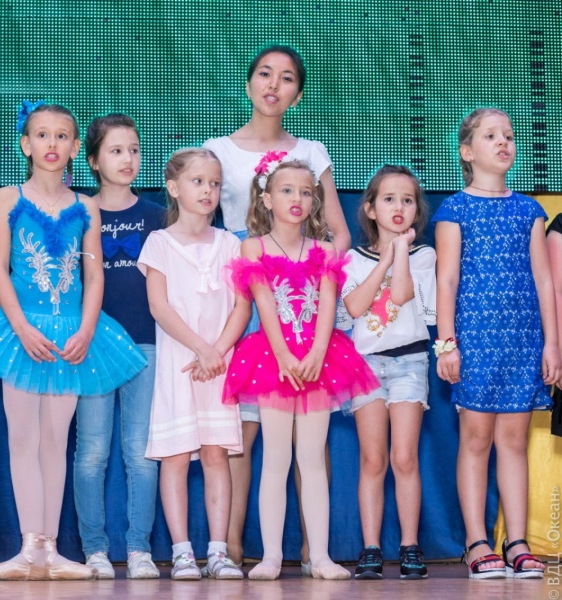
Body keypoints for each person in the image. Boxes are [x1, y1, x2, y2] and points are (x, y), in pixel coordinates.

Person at [0, 101, 146, 581]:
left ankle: (50, 550)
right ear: (26, 145)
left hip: (71, 333)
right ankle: (29, 547)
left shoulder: (86, 206)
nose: (52, 143)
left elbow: (94, 274)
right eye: (42, 135)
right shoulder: (8, 197)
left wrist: (86, 328)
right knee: (23, 438)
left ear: (74, 147)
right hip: (22, 330)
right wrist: (20, 327)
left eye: (62, 136)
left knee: (55, 440)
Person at [203, 44, 350, 567]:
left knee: (310, 435)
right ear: (248, 84)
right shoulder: (218, 149)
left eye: (286, 78)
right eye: (264, 74)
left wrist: (313, 277)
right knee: (243, 432)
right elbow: (204, 221)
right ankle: (234, 547)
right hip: (244, 294)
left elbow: (338, 232)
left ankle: (314, 549)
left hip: (304, 299)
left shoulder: (312, 150)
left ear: (298, 94)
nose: (273, 84)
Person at [223, 158, 379, 581]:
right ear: (266, 199)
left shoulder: (324, 250)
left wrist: (316, 354)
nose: (297, 199)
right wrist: (285, 357)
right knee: (275, 458)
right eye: (287, 190)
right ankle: (271, 556)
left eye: (306, 192)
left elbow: (327, 304)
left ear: (315, 201)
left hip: (318, 360)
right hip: (272, 360)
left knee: (311, 459)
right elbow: (264, 304)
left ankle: (321, 556)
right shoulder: (253, 247)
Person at [433, 108, 559, 580]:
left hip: (523, 342)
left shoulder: (529, 211)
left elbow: (544, 282)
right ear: (467, 151)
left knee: (513, 441)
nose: (504, 142)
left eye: (509, 135)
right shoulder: (454, 210)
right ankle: (476, 541)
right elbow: (446, 281)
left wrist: (552, 343)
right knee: (476, 440)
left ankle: (517, 541)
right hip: (475, 341)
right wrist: (447, 344)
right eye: (491, 136)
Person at [138, 147, 249, 580]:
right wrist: (201, 350)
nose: (207, 191)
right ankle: (183, 552)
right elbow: (159, 306)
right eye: (198, 181)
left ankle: (218, 552)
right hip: (180, 364)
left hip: (218, 365)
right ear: (173, 187)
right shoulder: (159, 243)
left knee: (216, 453)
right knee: (176, 456)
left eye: (214, 183)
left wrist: (217, 351)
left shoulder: (230, 244)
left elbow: (241, 306)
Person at [73, 114, 165, 579]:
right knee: (92, 452)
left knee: (140, 453)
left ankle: (139, 549)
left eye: (134, 149)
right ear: (93, 160)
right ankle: (94, 549)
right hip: (92, 347)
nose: (128, 159)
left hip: (145, 343)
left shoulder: (157, 216)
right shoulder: (78, 213)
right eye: (115, 150)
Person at [336, 165, 434, 580]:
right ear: (371, 209)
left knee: (404, 457)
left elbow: (401, 294)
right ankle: (371, 547)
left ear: (416, 210)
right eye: (389, 199)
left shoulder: (424, 255)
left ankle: (410, 545)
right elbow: (355, 306)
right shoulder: (352, 259)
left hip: (409, 361)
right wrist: (387, 257)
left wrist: (402, 252)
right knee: (372, 458)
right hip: (366, 366)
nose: (399, 207)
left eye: (408, 200)